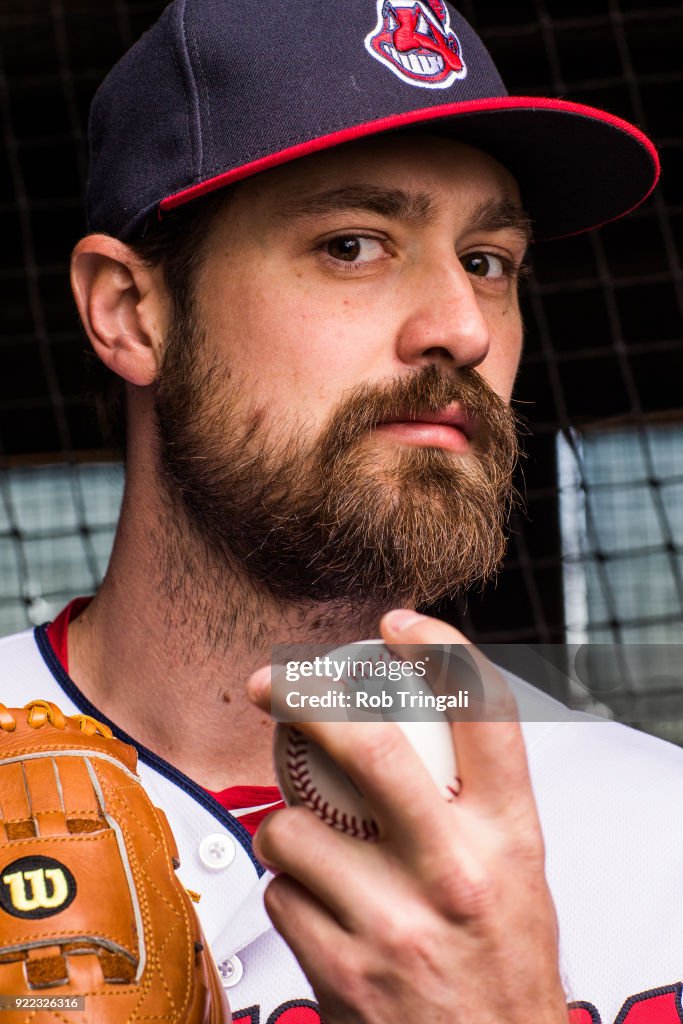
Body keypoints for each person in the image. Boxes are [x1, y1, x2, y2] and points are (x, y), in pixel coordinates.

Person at [2, 2, 682, 1022]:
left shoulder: (662, 835)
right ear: (129, 310)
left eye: (487, 260)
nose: (458, 325)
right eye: (354, 244)